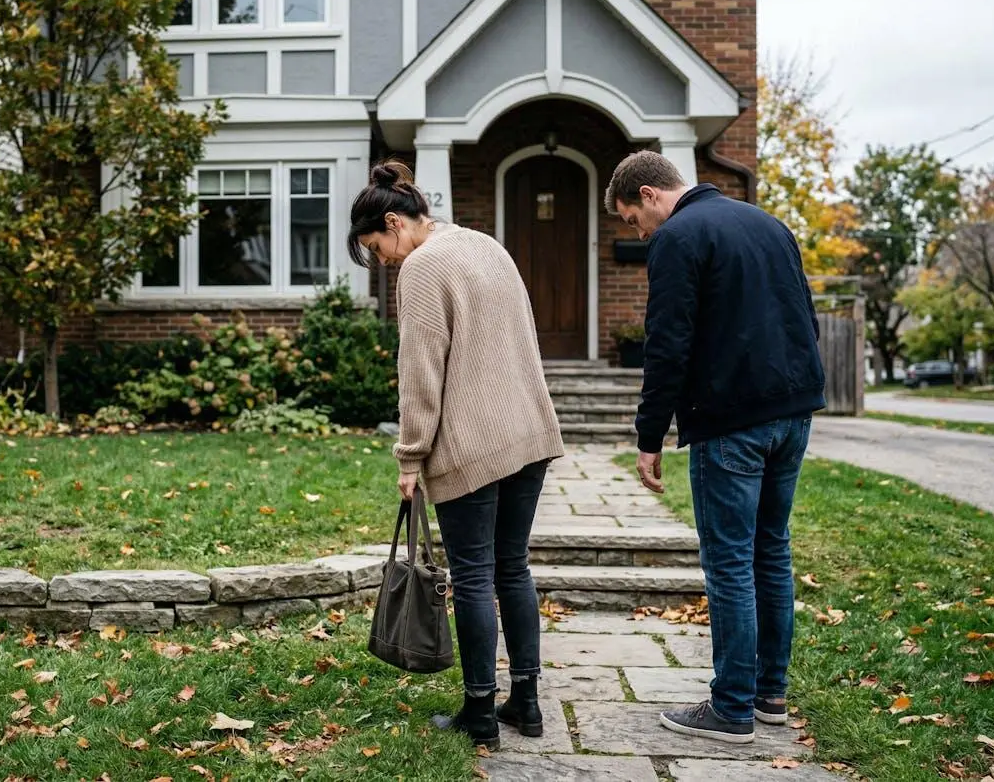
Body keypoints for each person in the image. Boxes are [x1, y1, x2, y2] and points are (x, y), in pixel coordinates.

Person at [605, 150, 825, 745]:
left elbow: (667, 343)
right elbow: (805, 317)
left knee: (729, 561)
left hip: (730, 421)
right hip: (792, 413)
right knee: (771, 551)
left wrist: (649, 434)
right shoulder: (769, 224)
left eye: (632, 220)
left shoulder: (677, 237)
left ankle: (731, 708)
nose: (639, 233)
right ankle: (769, 694)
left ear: (649, 194)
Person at [347, 160, 565, 751]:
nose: (384, 262)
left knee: (471, 576)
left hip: (473, 442)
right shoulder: (487, 246)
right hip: (529, 432)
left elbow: (420, 372)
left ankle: (480, 712)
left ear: (395, 223)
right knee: (512, 567)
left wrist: (410, 456)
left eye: (378, 249)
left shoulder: (422, 268)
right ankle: (526, 701)